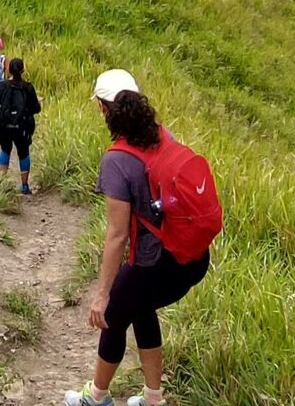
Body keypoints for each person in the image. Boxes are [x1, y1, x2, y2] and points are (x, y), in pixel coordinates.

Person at [66, 70, 209, 406]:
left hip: (154, 261)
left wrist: (101, 295)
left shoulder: (117, 160)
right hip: (193, 256)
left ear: (104, 109)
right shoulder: (164, 136)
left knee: (113, 313)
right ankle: (152, 399)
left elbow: (116, 235)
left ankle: (96, 397)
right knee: (141, 307)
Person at [0, 57, 41, 195]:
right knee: (23, 152)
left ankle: (2, 183)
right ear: (23, 70)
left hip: (3, 125)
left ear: (8, 69)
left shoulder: (2, 86)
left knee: (5, 149)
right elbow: (37, 109)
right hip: (22, 126)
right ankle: (24, 186)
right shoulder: (28, 88)